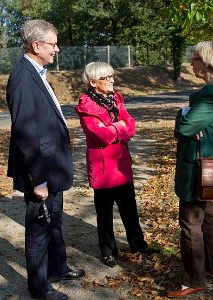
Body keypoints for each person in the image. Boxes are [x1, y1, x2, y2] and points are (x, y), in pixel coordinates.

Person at [6, 19, 85, 300]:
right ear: (36, 45)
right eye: (53, 44)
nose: (57, 49)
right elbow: (26, 133)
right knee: (39, 229)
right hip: (40, 172)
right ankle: (39, 288)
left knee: (54, 222)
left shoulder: (37, 72)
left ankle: (57, 267)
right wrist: (37, 179)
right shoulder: (22, 77)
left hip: (53, 167)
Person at [166, 41, 213, 298]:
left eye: (193, 58)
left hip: (197, 168)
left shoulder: (211, 92)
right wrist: (191, 117)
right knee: (207, 217)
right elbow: (194, 125)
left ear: (205, 62)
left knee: (190, 223)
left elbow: (184, 128)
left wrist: (183, 115)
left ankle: (194, 279)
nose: (190, 63)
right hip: (211, 165)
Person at [74, 62, 148, 268]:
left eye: (112, 76)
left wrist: (115, 127)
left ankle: (138, 244)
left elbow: (131, 125)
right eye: (106, 78)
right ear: (93, 82)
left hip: (121, 163)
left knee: (130, 209)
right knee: (104, 213)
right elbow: (100, 135)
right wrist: (119, 127)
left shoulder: (115, 99)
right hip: (103, 168)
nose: (112, 80)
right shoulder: (87, 105)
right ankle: (108, 250)